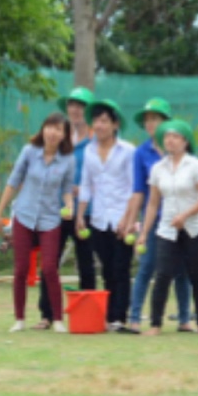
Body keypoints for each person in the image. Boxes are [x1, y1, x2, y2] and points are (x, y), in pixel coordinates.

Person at [0, 111, 74, 332]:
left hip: (50, 219)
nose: (53, 132)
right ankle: (19, 319)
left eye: (59, 129)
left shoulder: (68, 160)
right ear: (43, 129)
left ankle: (57, 320)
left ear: (64, 135)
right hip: (24, 215)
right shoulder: (29, 152)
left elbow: (67, 190)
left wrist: (70, 206)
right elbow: (13, 182)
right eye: (50, 126)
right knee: (20, 269)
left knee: (49, 268)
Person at [123, 98, 191, 333]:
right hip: (154, 221)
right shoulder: (141, 153)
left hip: (181, 220)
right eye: (148, 119)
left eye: (156, 118)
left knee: (182, 271)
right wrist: (134, 224)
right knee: (147, 267)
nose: (151, 123)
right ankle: (134, 318)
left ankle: (184, 320)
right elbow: (138, 192)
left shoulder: (181, 151)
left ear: (166, 123)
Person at [140, 119, 198, 336]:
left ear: (185, 141)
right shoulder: (158, 168)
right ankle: (155, 325)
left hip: (195, 228)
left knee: (197, 276)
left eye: (175, 136)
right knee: (162, 275)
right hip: (167, 229)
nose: (169, 140)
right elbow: (153, 203)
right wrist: (144, 232)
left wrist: (185, 215)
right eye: (166, 137)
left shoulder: (196, 166)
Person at [38, 86, 96, 325]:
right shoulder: (58, 139)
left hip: (85, 211)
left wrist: (81, 190)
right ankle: (47, 315)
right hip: (57, 210)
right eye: (72, 105)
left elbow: (101, 176)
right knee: (49, 263)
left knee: (86, 263)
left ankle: (91, 314)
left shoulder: (96, 140)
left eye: (81, 106)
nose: (75, 109)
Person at [78, 98, 137, 331]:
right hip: (99, 219)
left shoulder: (128, 151)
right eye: (96, 121)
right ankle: (108, 315)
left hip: (123, 219)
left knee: (121, 268)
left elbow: (135, 188)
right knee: (107, 269)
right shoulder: (89, 151)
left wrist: (129, 219)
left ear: (115, 125)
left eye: (104, 121)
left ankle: (119, 318)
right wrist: (81, 215)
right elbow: (85, 185)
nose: (99, 125)